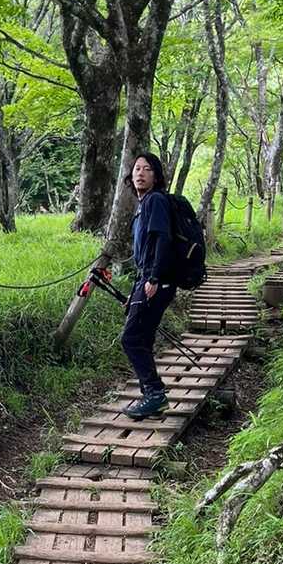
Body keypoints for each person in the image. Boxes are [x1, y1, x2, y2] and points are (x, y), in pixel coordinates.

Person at [121, 151, 175, 418]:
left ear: (156, 176)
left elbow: (163, 239)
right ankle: (152, 398)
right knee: (142, 338)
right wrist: (138, 287)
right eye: (136, 169)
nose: (140, 173)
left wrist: (153, 278)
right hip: (149, 279)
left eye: (147, 169)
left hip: (157, 281)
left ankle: (154, 394)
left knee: (131, 338)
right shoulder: (144, 205)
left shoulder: (155, 200)